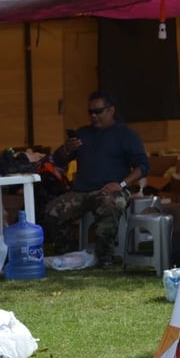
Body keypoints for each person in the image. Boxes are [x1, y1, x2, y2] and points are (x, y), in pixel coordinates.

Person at [44, 90, 149, 268]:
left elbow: (143, 167)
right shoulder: (83, 134)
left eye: (98, 111)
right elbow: (59, 160)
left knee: (109, 204)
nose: (94, 116)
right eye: (90, 112)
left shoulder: (125, 134)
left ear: (111, 111)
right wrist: (67, 149)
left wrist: (122, 184)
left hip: (112, 190)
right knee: (52, 210)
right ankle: (69, 252)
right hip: (82, 191)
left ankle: (105, 256)